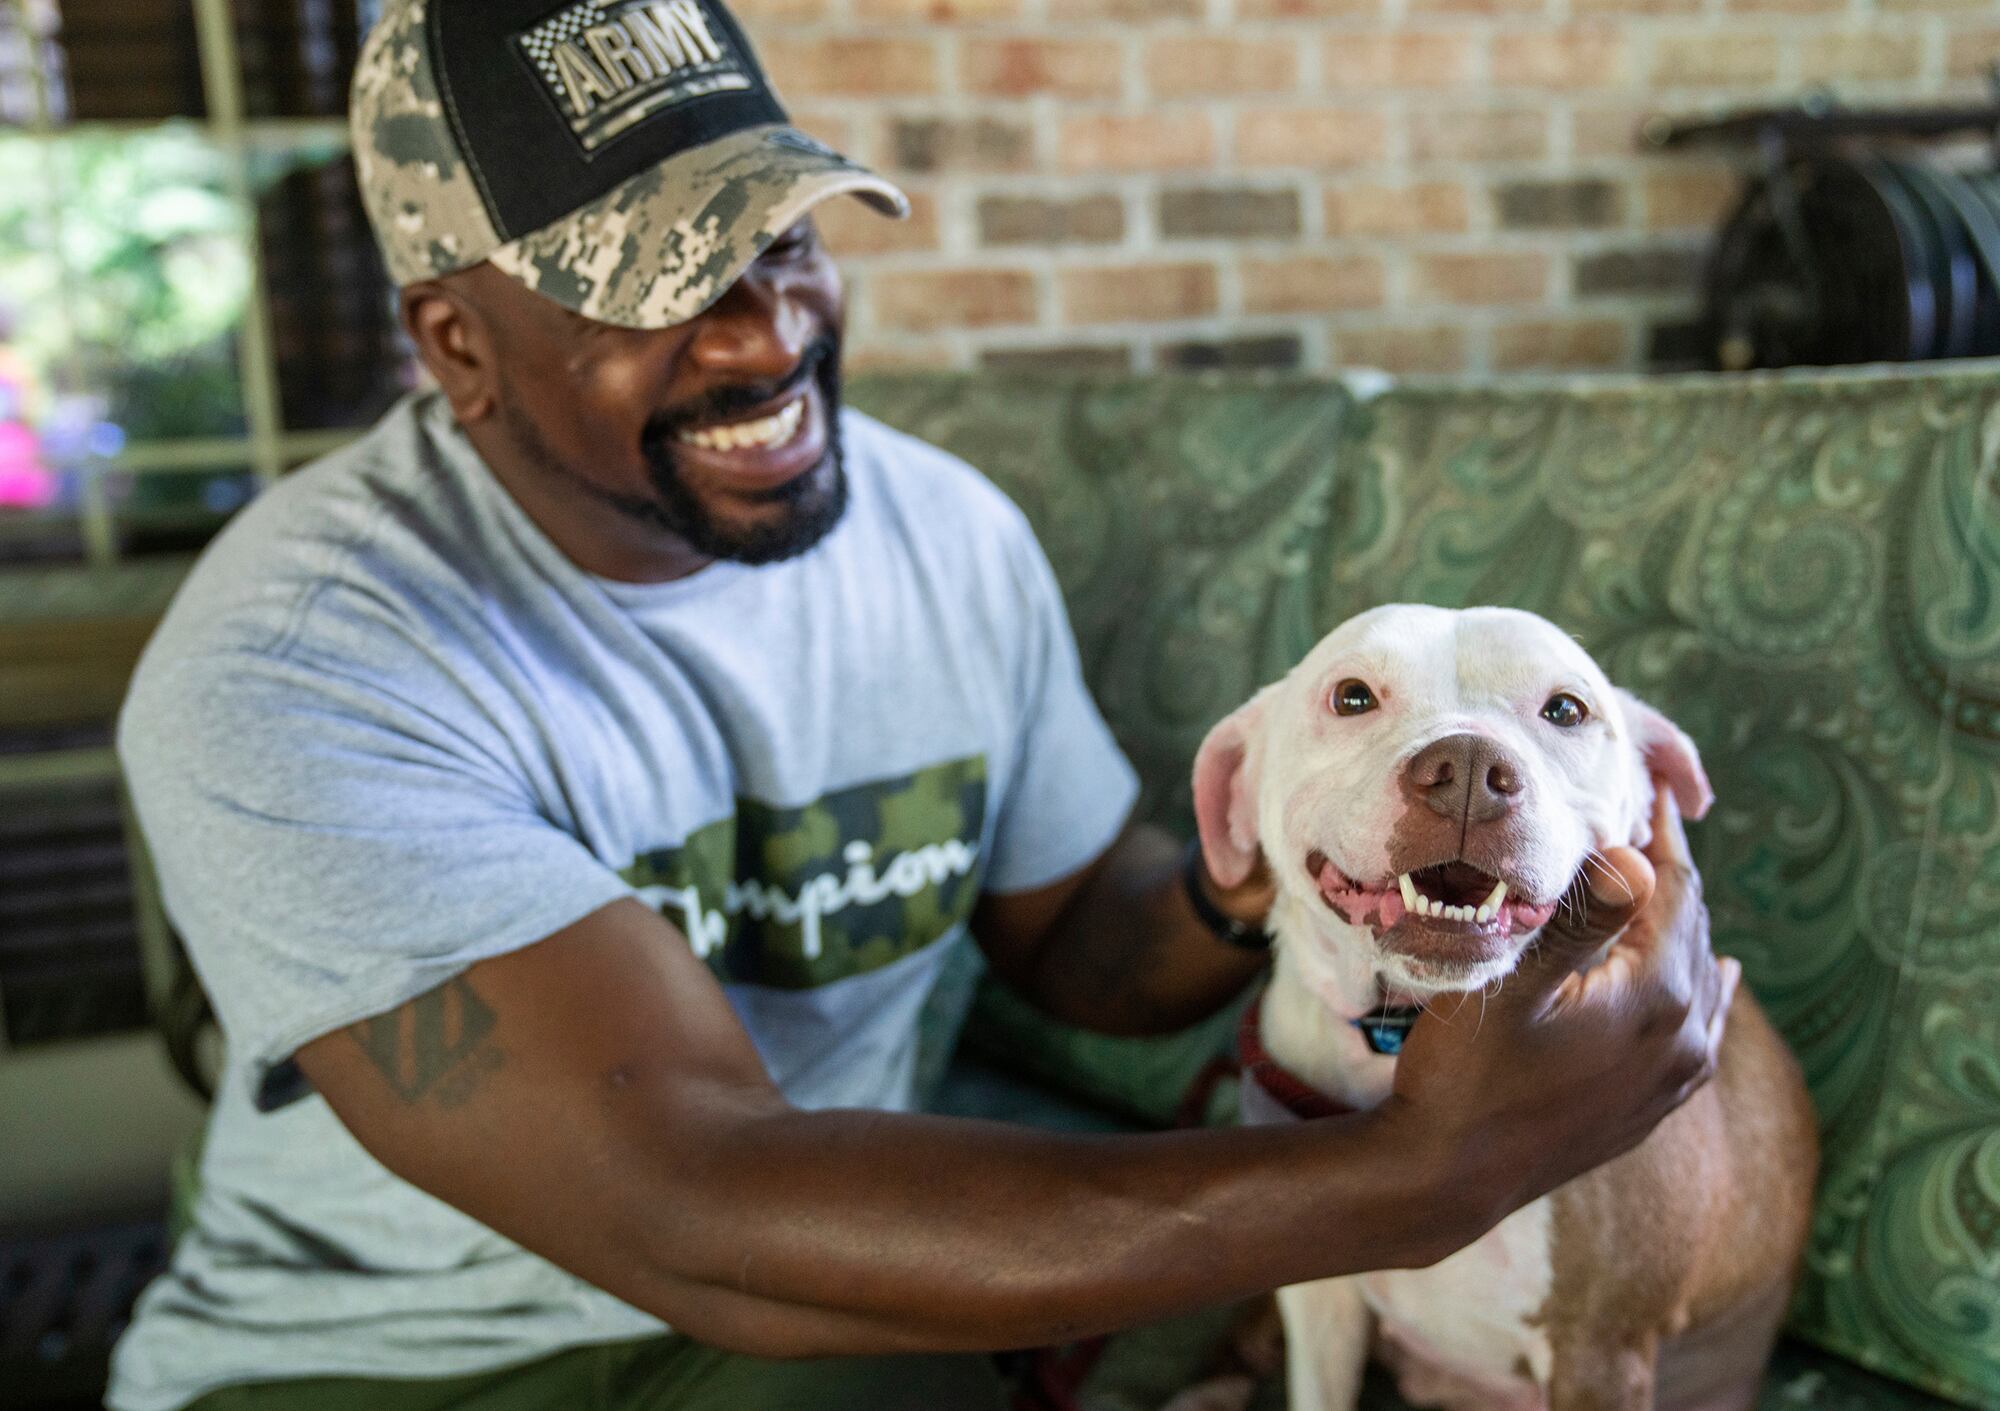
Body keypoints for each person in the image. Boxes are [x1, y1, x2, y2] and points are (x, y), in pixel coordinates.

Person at [108, 2, 1732, 1408]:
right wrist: (1431, 1166)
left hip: (826, 1330)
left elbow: (1081, 939)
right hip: (377, 1363)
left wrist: (1283, 857)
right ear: (457, 348)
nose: (765, 333)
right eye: (653, 287)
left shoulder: (943, 535)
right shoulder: (294, 667)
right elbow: (695, 1200)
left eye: (784, 239)